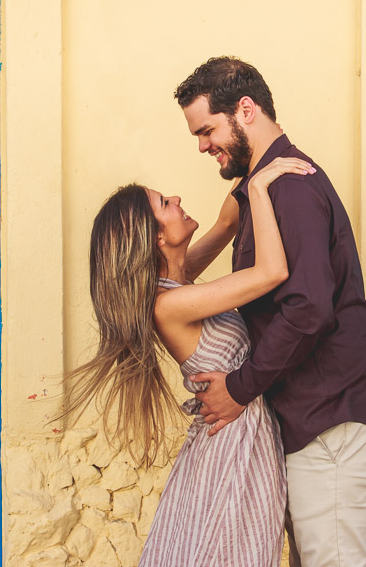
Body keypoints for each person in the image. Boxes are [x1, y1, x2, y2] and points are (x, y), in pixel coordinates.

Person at [174, 56, 366, 567]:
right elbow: (178, 276)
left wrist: (238, 388)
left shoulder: (290, 187)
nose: (203, 146)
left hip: (334, 420)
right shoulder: (259, 189)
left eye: (207, 131)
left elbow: (308, 309)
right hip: (312, 423)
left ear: (245, 110)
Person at [65, 156, 315, 567]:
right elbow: (271, 271)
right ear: (157, 237)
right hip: (231, 448)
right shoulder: (169, 305)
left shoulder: (177, 283)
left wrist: (254, 158)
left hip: (238, 436)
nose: (177, 199)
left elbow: (226, 225)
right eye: (165, 203)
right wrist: (258, 187)